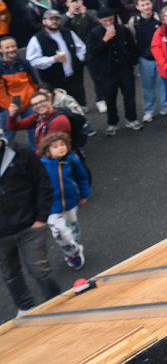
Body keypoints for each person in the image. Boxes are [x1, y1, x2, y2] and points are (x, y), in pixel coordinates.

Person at [0, 132, 61, 313]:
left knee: (40, 268)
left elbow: (43, 183)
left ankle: (56, 305)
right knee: (10, 273)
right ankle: (25, 307)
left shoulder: (21, 153)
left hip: (30, 227)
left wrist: (41, 219)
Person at [37, 131, 89, 270]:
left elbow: (82, 178)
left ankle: (73, 248)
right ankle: (73, 252)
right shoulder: (42, 166)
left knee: (72, 228)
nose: (60, 148)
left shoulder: (72, 161)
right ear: (47, 150)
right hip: (51, 207)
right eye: (55, 146)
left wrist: (84, 194)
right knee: (59, 232)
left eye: (62, 144)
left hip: (71, 202)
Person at [87, 8, 142, 135]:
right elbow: (93, 52)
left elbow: (131, 46)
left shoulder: (122, 29)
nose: (108, 23)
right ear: (99, 20)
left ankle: (131, 119)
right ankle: (112, 122)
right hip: (107, 72)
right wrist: (105, 40)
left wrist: (132, 61)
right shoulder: (94, 33)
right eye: (105, 21)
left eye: (110, 19)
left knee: (129, 95)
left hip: (124, 68)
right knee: (110, 98)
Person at [26, 10, 87, 107]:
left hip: (73, 78)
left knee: (78, 105)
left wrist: (78, 61)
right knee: (59, 107)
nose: (54, 21)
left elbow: (81, 47)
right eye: (51, 19)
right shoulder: (37, 38)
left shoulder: (68, 32)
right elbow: (33, 61)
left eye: (57, 19)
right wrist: (52, 59)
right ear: (44, 21)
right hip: (53, 82)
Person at [62, 0, 104, 114]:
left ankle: (101, 99)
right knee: (77, 81)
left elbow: (99, 25)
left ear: (81, 1)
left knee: (97, 77)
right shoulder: (66, 17)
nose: (75, 3)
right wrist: (69, 14)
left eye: (76, 0)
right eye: (72, 1)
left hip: (91, 51)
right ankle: (81, 104)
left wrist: (86, 14)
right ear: (67, 4)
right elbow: (60, 28)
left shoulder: (91, 13)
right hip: (74, 54)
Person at [128, 0, 166, 122]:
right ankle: (149, 110)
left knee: (163, 85)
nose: (146, 7)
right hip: (145, 59)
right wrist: (137, 55)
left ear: (152, 4)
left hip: (160, 59)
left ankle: (165, 107)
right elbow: (132, 39)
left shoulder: (160, 18)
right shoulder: (134, 21)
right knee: (147, 87)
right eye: (142, 5)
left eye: (148, 4)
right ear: (137, 7)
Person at [0, 36, 38, 143]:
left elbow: (33, 81)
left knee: (34, 130)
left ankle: (35, 152)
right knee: (8, 135)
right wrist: (6, 107)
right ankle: (7, 153)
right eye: (7, 47)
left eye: (13, 46)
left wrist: (35, 97)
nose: (11, 49)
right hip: (7, 107)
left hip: (28, 103)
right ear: (1, 50)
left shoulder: (23, 63)